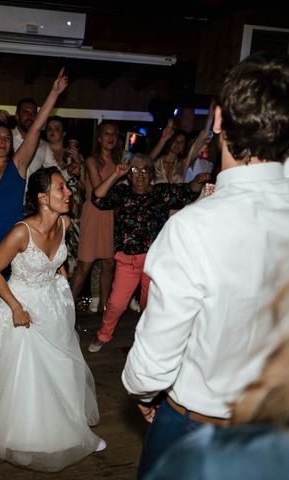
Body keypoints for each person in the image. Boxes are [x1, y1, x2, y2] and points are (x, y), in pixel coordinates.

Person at [148, 44, 289, 480]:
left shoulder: (191, 227)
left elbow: (155, 358)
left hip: (196, 426)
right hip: (282, 425)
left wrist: (142, 387)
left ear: (219, 119)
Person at [0, 167, 104, 472]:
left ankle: (68, 425)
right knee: (27, 373)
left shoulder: (65, 223)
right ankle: (26, 435)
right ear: (43, 198)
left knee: (62, 365)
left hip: (53, 305)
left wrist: (59, 272)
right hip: (21, 306)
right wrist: (16, 307)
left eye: (66, 188)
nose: (68, 193)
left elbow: (57, 260)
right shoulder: (21, 231)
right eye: (61, 189)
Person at [0, 71, 68, 361]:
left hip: (14, 240)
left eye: (7, 139)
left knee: (10, 294)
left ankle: (8, 343)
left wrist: (54, 94)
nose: (2, 142)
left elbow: (34, 131)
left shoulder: (18, 166)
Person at [87, 154, 207, 353]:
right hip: (128, 262)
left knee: (150, 305)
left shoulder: (161, 192)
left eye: (145, 170)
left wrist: (196, 181)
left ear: (151, 174)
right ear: (129, 174)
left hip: (155, 262)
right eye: (135, 170)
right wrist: (115, 175)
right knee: (116, 304)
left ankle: (147, 341)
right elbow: (98, 199)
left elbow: (187, 193)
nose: (140, 175)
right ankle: (103, 335)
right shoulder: (122, 193)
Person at [70, 121, 121, 311]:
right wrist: (117, 175)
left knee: (109, 263)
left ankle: (105, 307)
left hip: (109, 215)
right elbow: (99, 191)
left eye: (114, 134)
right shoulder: (92, 160)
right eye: (106, 133)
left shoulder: (117, 163)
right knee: (85, 265)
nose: (110, 137)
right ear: (99, 138)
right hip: (93, 213)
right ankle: (66, 309)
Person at [0, 98, 56, 181]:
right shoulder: (4, 139)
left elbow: (54, 173)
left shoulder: (43, 145)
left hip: (30, 197)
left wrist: (69, 171)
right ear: (17, 116)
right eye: (26, 112)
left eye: (33, 113)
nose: (30, 116)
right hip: (4, 195)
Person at [45, 115, 84, 276]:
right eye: (50, 128)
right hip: (51, 211)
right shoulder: (41, 151)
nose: (53, 131)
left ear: (64, 133)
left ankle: (68, 296)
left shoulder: (74, 155)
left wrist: (80, 169)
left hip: (74, 213)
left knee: (73, 257)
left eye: (57, 128)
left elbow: (85, 189)